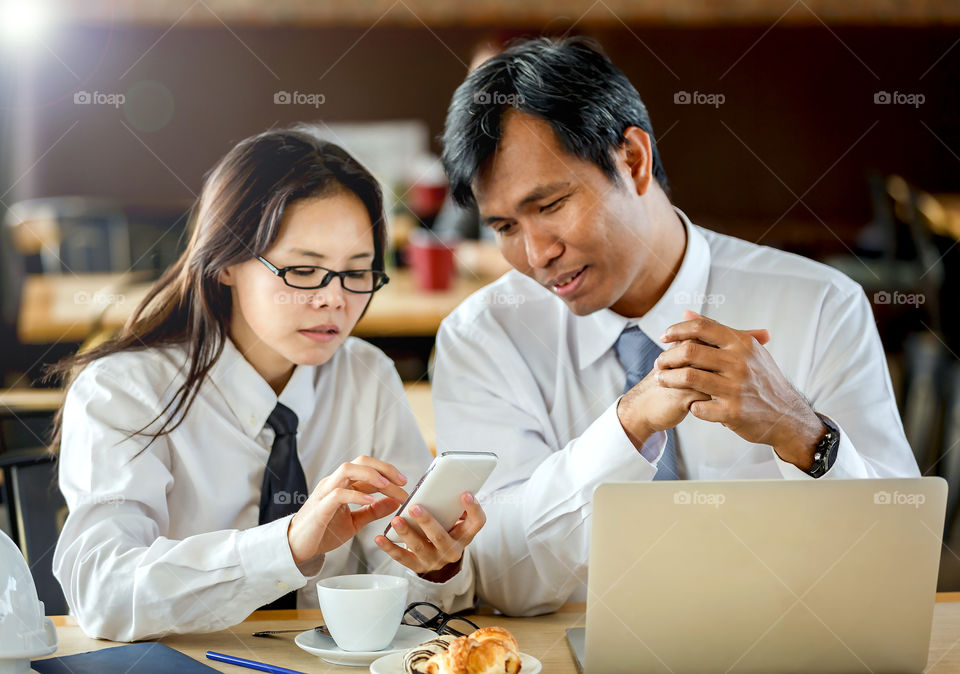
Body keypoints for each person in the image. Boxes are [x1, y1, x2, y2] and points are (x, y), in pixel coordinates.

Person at [433, 36, 920, 616]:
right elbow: (504, 581)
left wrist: (799, 431)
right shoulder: (482, 337)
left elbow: (897, 560)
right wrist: (626, 428)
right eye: (505, 227)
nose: (537, 254)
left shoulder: (821, 304)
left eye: (550, 205)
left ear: (633, 160)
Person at [50, 127, 485, 641]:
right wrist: (288, 545)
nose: (334, 300)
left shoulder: (365, 375)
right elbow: (102, 593)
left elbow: (397, 587)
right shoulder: (123, 389)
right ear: (228, 262)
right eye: (304, 270)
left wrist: (432, 568)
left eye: (358, 272)